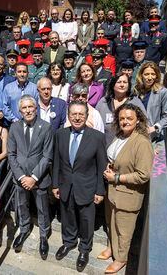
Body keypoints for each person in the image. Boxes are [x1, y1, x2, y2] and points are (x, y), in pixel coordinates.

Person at [52, 101, 107, 272]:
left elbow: (101, 166)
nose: (77, 117)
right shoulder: (60, 134)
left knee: (86, 221)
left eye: (80, 114)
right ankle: (68, 242)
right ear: (68, 116)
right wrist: (55, 184)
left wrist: (100, 190)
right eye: (73, 114)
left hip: (87, 187)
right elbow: (56, 162)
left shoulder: (97, 137)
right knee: (67, 217)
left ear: (86, 116)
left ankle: (84, 249)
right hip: (65, 185)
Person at [101, 103, 153, 274]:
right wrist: (111, 166)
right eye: (122, 118)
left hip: (128, 195)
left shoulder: (142, 142)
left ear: (138, 120)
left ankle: (121, 259)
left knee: (124, 231)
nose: (125, 121)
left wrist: (116, 177)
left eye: (129, 118)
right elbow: (118, 158)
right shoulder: (120, 135)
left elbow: (143, 174)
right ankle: (111, 249)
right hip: (113, 192)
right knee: (111, 224)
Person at [7, 95, 53, 259]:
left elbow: (47, 156)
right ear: (20, 111)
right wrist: (21, 177)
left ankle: (43, 235)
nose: (27, 110)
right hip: (20, 178)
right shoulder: (14, 127)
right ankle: (24, 229)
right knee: (22, 205)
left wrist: (33, 177)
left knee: (42, 208)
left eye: (30, 107)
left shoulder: (46, 127)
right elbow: (11, 155)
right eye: (24, 108)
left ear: (36, 108)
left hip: (38, 178)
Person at [96, 73, 146, 146]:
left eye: (125, 82)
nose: (122, 85)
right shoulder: (104, 101)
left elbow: (144, 124)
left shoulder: (135, 102)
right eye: (119, 82)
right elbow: (95, 122)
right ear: (113, 85)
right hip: (104, 146)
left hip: (128, 147)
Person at [134, 61, 167, 141]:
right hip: (134, 131)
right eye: (146, 74)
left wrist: (154, 128)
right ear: (141, 75)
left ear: (157, 76)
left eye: (153, 74)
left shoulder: (163, 92)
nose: (150, 77)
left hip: (150, 135)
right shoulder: (136, 90)